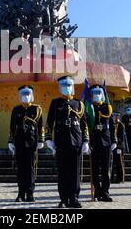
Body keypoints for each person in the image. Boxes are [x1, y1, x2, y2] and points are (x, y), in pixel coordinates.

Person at [45, 76, 90, 208]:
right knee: (63, 172)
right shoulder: (55, 103)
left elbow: (84, 124)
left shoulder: (79, 104)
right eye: (64, 85)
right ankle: (64, 199)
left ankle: (74, 198)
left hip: (76, 142)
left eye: (69, 85)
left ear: (73, 86)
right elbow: (49, 123)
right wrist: (48, 140)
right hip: (61, 142)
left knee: (75, 172)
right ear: (60, 87)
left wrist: (86, 141)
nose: (67, 88)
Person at [8, 86, 44, 202]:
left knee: (30, 169)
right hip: (19, 142)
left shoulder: (37, 109)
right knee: (20, 169)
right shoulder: (16, 110)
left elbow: (41, 126)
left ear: (32, 95)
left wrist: (41, 140)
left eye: (28, 94)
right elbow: (12, 127)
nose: (26, 96)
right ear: (20, 96)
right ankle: (20, 193)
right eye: (23, 94)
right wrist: (10, 141)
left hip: (31, 142)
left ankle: (30, 193)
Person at [88, 84, 116, 202]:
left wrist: (114, 140)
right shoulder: (89, 107)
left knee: (105, 169)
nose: (97, 95)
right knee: (94, 170)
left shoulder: (107, 108)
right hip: (93, 142)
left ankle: (105, 192)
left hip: (106, 142)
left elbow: (112, 126)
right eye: (95, 93)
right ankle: (96, 192)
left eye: (99, 93)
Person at [111, 112, 126, 184]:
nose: (115, 118)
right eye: (114, 116)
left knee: (119, 163)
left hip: (119, 146)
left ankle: (120, 178)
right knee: (113, 162)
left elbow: (121, 137)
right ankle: (112, 178)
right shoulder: (113, 124)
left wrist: (119, 146)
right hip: (113, 145)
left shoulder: (121, 125)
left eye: (116, 116)